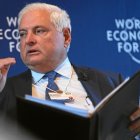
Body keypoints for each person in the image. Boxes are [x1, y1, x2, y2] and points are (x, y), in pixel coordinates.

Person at [0, 2, 140, 139]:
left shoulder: (113, 83)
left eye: (39, 31)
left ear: (66, 37)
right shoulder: (3, 91)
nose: (28, 40)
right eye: (23, 34)